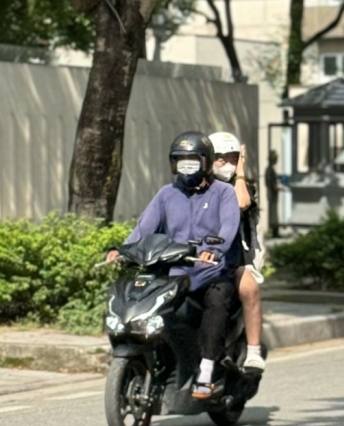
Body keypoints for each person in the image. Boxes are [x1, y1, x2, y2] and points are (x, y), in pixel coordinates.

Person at [105, 131, 240, 400]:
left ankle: (206, 370)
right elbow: (143, 229)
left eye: (192, 162)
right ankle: (161, 362)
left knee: (217, 301)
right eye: (181, 162)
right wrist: (122, 250)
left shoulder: (224, 193)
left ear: (205, 162)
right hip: (175, 273)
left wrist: (214, 250)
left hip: (210, 272)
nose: (186, 168)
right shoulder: (167, 194)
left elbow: (228, 227)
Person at [209, 132, 265, 373]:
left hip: (234, 258)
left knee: (249, 288)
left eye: (233, 158)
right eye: (221, 158)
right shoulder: (200, 185)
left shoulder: (243, 186)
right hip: (199, 257)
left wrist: (240, 170)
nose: (227, 163)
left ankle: (253, 351)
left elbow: (241, 203)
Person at [265, 150, 280, 238]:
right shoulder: (270, 170)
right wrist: (277, 187)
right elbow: (271, 183)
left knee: (274, 212)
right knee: (273, 212)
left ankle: (274, 230)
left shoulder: (269, 170)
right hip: (272, 194)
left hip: (272, 193)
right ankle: (274, 231)